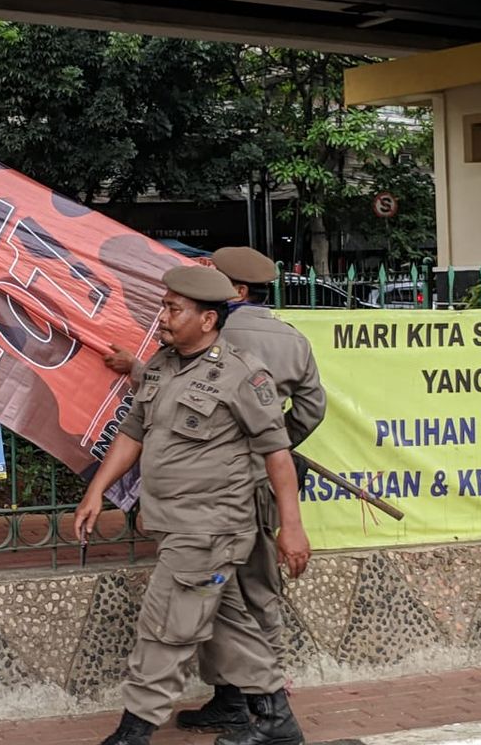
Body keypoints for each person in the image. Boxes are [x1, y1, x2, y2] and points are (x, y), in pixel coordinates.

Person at [76, 265, 310, 745]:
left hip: (211, 528)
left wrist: (292, 527)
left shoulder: (243, 375)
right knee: (229, 625)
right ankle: (276, 724)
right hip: (176, 524)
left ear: (207, 320)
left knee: (165, 628)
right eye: (163, 305)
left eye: (173, 309)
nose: (163, 316)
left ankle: (133, 732)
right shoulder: (161, 364)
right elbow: (133, 432)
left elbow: (277, 454)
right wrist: (97, 489)